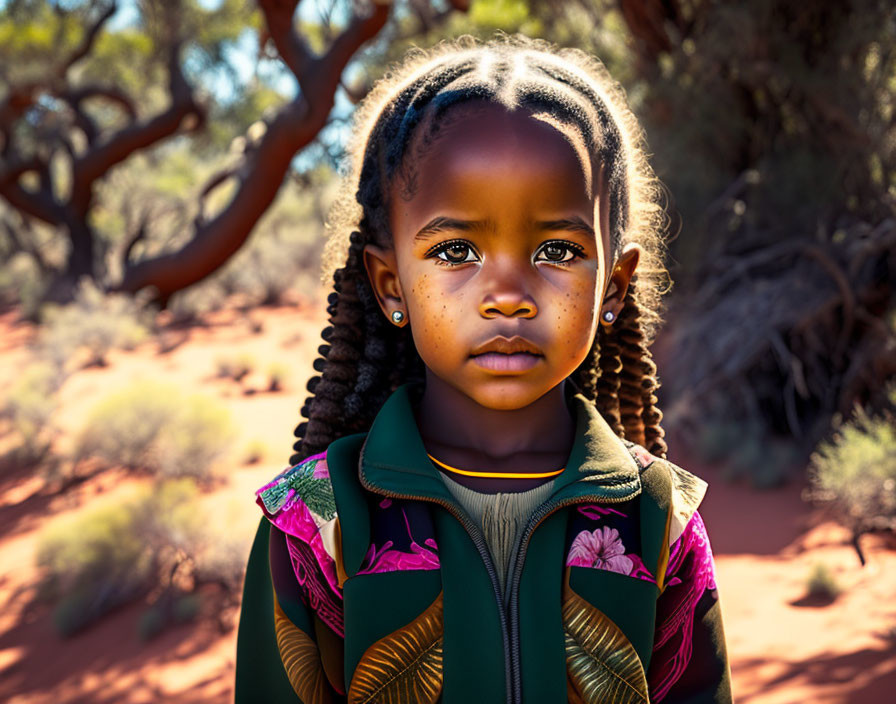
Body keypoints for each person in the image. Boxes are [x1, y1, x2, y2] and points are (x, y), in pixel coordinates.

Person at [234, 34, 733, 704]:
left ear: (613, 286)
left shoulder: (659, 520)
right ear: (389, 285)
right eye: (456, 249)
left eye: (556, 248)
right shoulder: (316, 524)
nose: (507, 293)